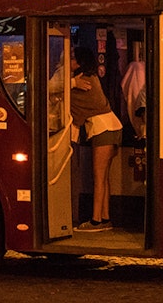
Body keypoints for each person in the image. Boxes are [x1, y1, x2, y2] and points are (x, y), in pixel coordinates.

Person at [69, 44, 122, 232]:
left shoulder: (81, 82)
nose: (70, 61)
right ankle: (106, 218)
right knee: (104, 177)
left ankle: (95, 221)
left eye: (73, 58)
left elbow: (70, 108)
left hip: (102, 129)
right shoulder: (92, 77)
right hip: (113, 126)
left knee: (98, 177)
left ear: (80, 62)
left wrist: (70, 84)